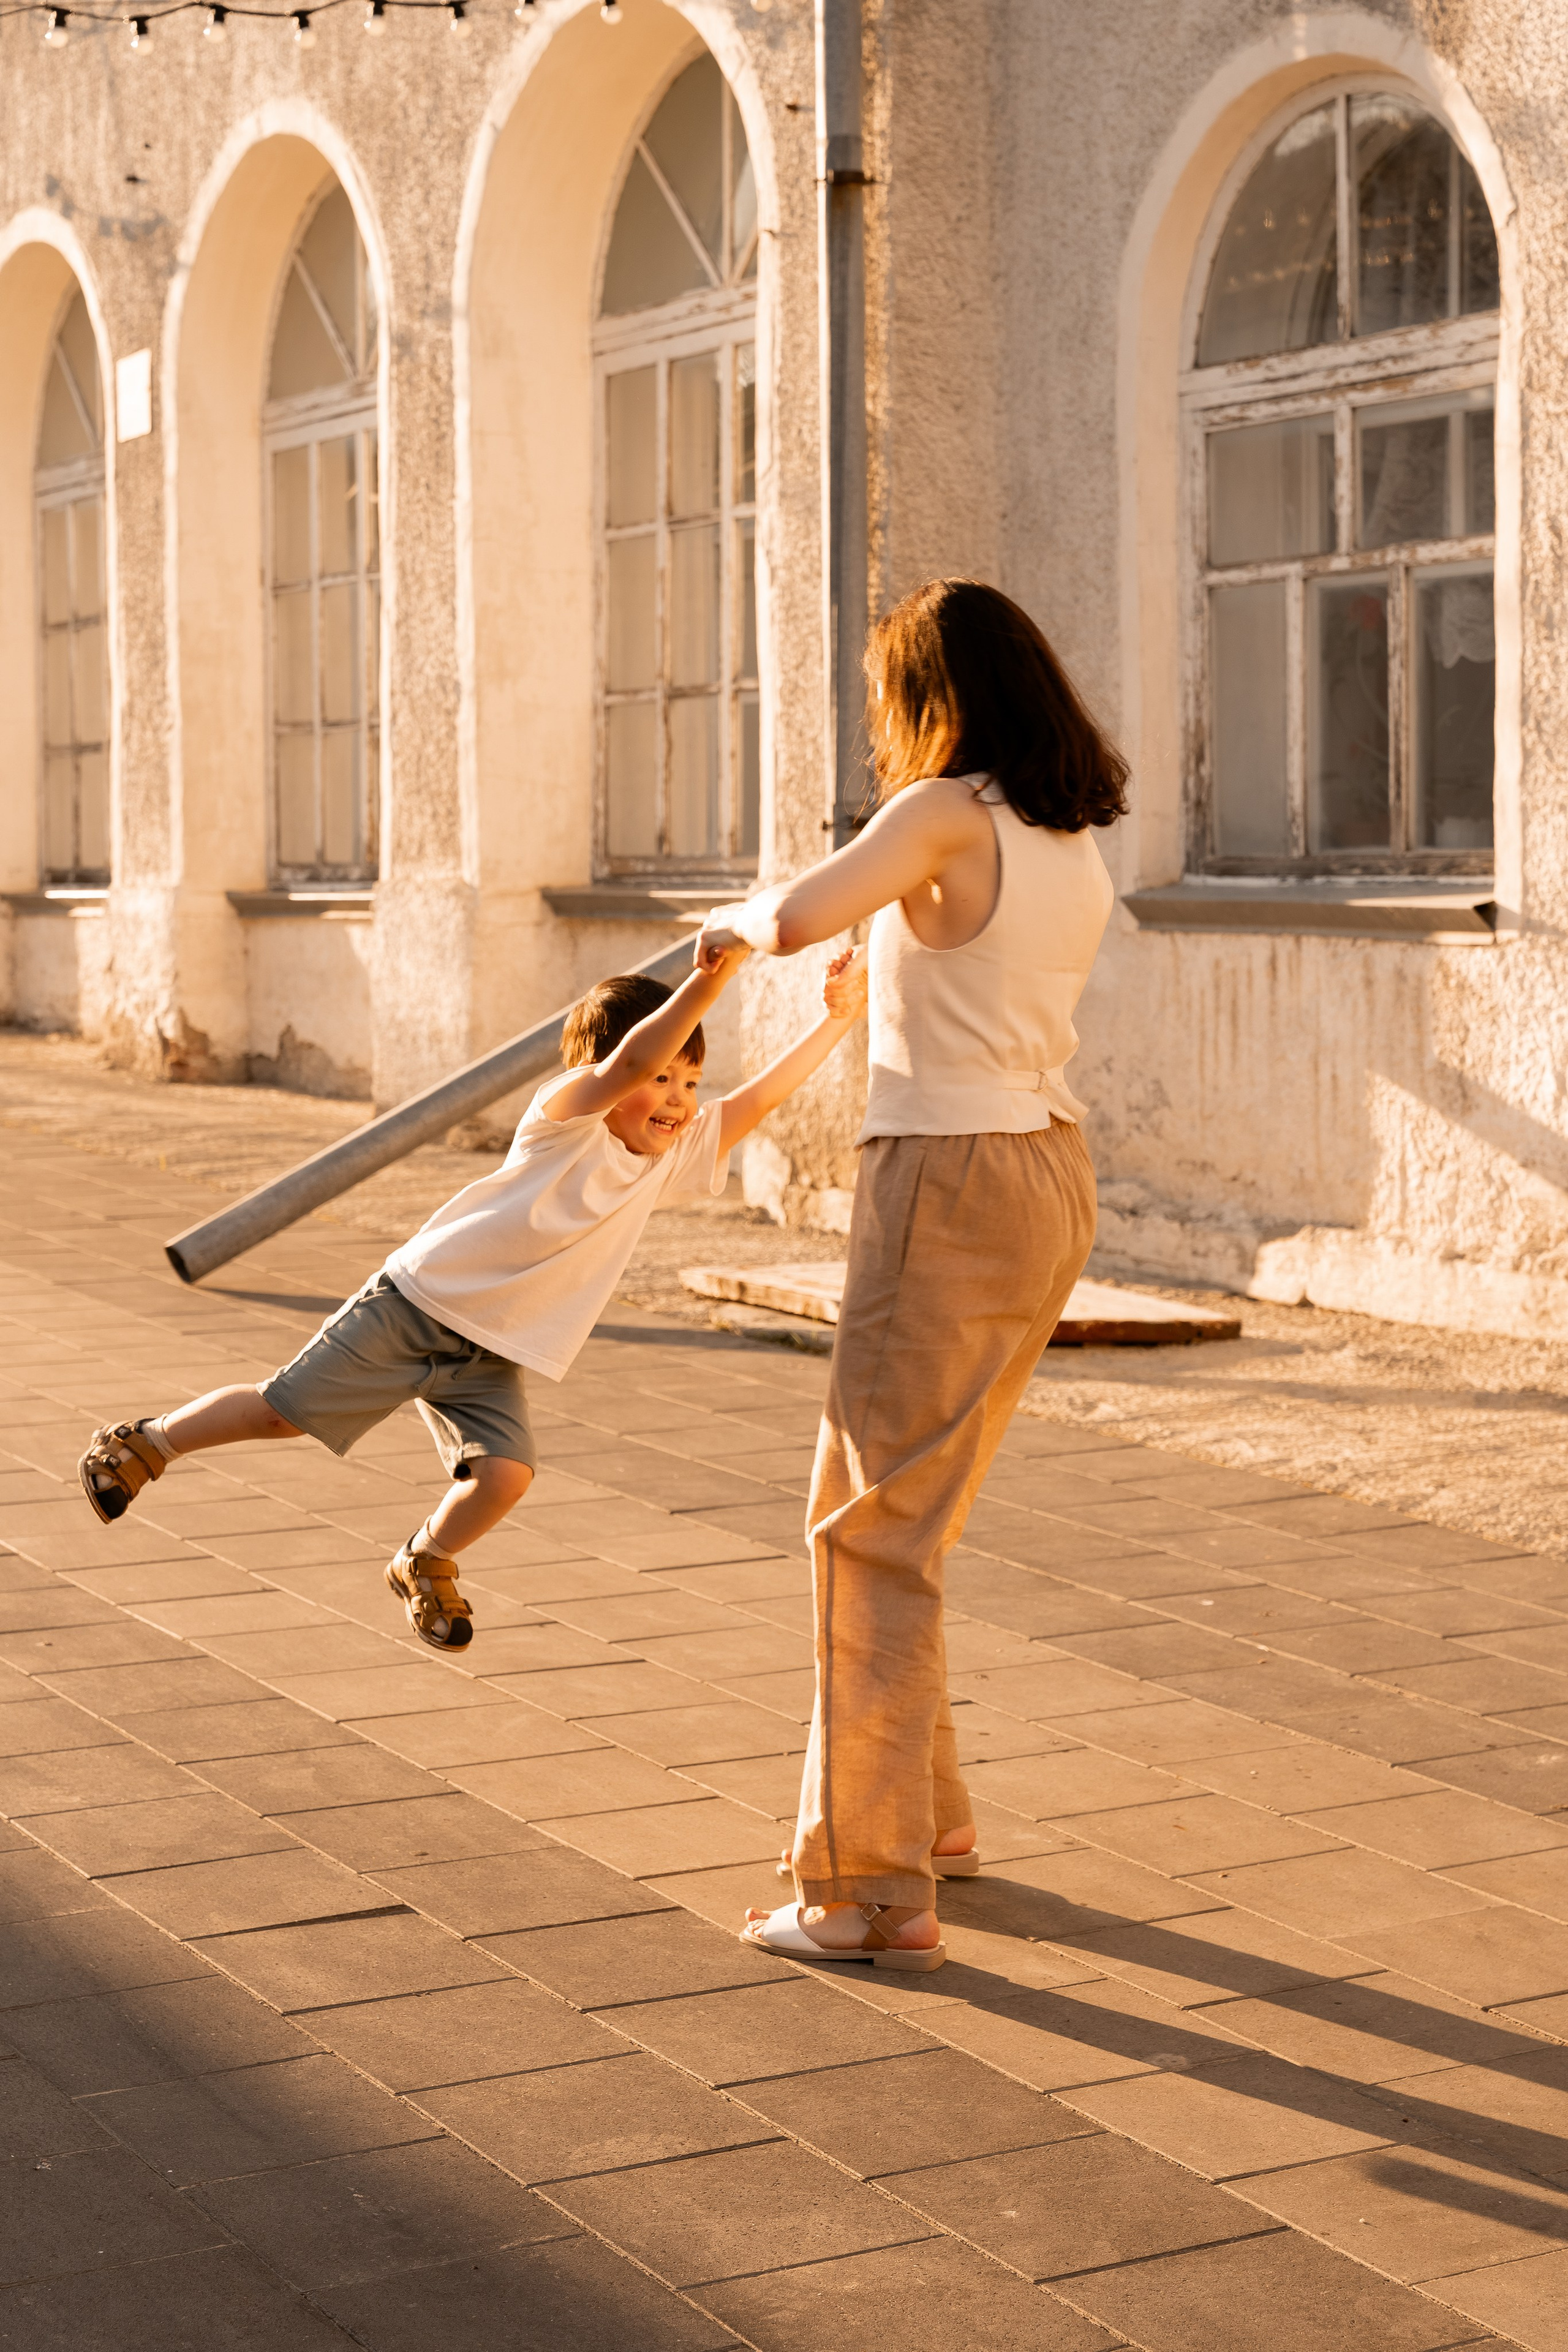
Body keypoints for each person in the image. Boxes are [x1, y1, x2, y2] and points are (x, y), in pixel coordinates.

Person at [696, 578, 1128, 1972]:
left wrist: (731, 922)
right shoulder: (1059, 834)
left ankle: (864, 1891)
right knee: (904, 1517)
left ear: (927, 696)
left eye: (888, 693)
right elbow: (949, 967)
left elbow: (798, 913)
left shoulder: (941, 811)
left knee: (862, 1535)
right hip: (1042, 1174)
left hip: (942, 1181)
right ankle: (926, 1820)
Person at [77, 943, 869, 1650]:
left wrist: (836, 1020)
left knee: (507, 1474)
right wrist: (705, 981)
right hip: (416, 1305)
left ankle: (424, 1558)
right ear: (602, 1073)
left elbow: (762, 1099)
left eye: (690, 1081)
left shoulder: (668, 1157)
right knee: (281, 1412)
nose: (675, 1098)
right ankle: (145, 1443)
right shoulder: (564, 1120)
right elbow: (623, 1067)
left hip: (493, 1348)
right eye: (663, 1077)